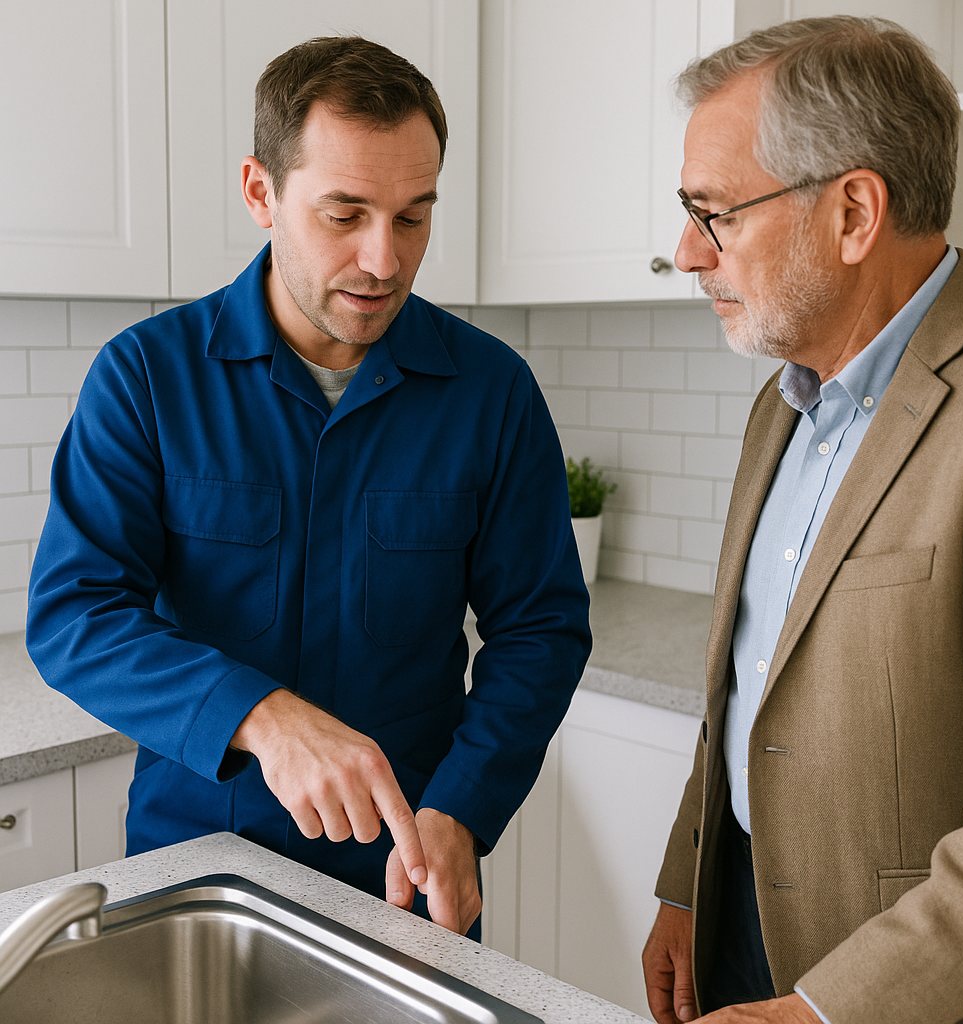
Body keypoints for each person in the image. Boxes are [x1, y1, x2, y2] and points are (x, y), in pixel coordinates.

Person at [26, 35, 591, 939]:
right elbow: (75, 616)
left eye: (414, 216)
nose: (383, 259)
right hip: (196, 866)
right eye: (345, 213)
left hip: (405, 877)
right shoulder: (146, 377)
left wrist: (466, 809)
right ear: (261, 193)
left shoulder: (493, 393)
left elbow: (542, 629)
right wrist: (261, 717)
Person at [641, 15, 963, 1024]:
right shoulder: (784, 400)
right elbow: (744, 680)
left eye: (712, 211)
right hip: (735, 923)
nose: (685, 252)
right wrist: (687, 883)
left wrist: (824, 1010)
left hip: (893, 990)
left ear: (854, 212)